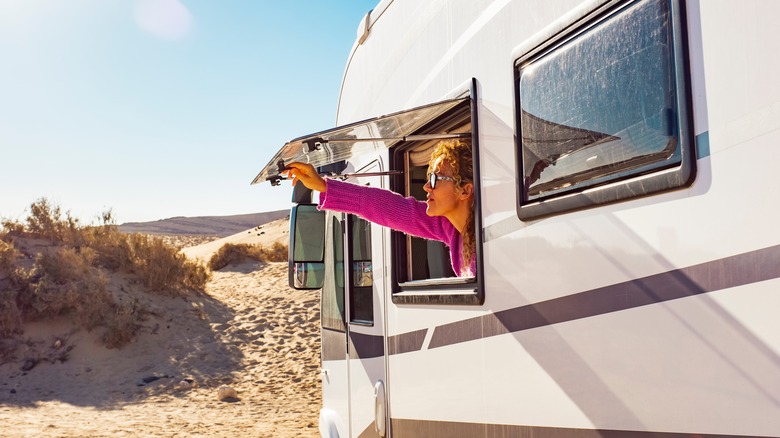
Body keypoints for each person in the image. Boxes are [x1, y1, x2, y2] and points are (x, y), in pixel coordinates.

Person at [284, 139, 476, 277]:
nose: (426, 187)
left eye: (435, 179)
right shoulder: (450, 229)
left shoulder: (487, 239)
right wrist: (323, 186)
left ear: (465, 191)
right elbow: (386, 207)